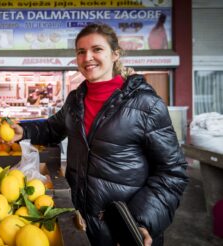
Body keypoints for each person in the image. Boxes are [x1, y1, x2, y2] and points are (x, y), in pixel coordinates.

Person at [10, 23, 188, 246]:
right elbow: (52, 128)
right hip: (81, 224)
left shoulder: (145, 105)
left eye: (97, 49)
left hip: (124, 230)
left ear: (115, 54)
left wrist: (139, 221)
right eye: (81, 51)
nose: (88, 57)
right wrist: (24, 130)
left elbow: (172, 172)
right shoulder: (76, 100)